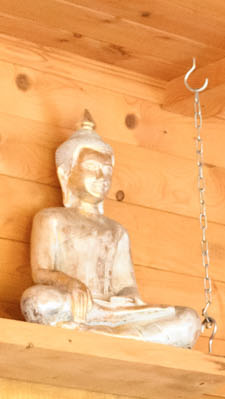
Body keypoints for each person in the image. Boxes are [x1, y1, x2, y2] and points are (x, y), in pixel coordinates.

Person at [21, 114, 201, 347]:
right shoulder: (51, 219)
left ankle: (102, 335)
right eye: (92, 168)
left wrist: (127, 299)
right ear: (66, 173)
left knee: (189, 319)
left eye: (107, 170)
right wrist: (70, 284)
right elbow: (40, 272)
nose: (102, 177)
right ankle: (120, 337)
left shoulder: (117, 231)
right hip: (78, 306)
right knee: (36, 300)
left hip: (114, 312)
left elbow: (126, 285)